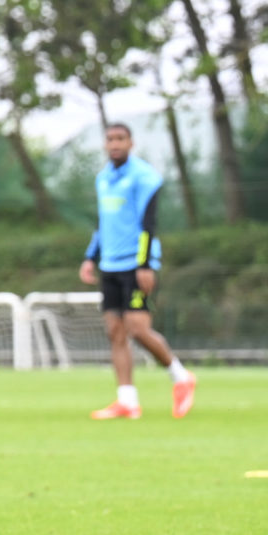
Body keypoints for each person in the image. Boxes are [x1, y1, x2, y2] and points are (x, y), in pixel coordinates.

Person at [80, 123, 195, 420]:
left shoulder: (145, 177)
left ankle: (180, 376)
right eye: (110, 139)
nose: (115, 144)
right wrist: (90, 257)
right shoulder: (103, 178)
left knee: (137, 329)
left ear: (131, 143)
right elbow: (104, 223)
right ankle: (127, 400)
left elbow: (149, 223)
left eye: (120, 139)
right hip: (110, 266)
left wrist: (144, 265)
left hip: (135, 264)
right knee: (115, 331)